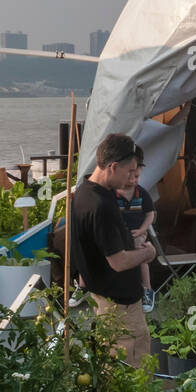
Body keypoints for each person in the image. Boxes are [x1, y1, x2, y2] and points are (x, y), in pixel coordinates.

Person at [68, 134, 157, 365]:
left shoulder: (83, 192)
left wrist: (129, 241)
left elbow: (102, 241)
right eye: (130, 172)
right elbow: (118, 262)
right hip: (121, 303)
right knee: (133, 367)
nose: (132, 178)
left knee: (111, 361)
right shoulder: (102, 205)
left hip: (103, 296)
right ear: (113, 166)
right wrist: (147, 253)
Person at [116, 147, 158, 311]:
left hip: (136, 233)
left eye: (137, 177)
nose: (133, 180)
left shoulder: (142, 193)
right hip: (119, 234)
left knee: (139, 253)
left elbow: (150, 214)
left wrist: (142, 230)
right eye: (130, 176)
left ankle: (147, 289)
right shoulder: (113, 193)